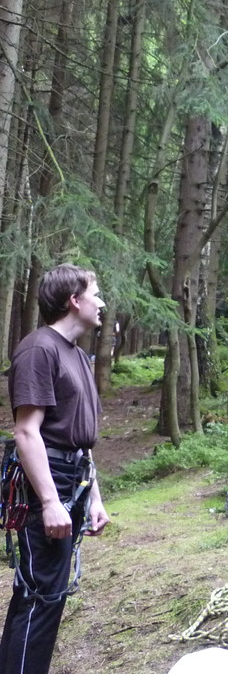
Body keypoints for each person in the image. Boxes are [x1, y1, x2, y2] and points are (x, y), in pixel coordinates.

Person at [1, 263, 111, 674]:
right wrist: (49, 501)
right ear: (74, 300)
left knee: (43, 595)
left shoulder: (77, 355)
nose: (100, 302)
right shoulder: (38, 349)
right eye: (95, 293)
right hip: (45, 482)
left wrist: (94, 498)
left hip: (73, 479)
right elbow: (27, 433)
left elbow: (80, 441)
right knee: (40, 597)